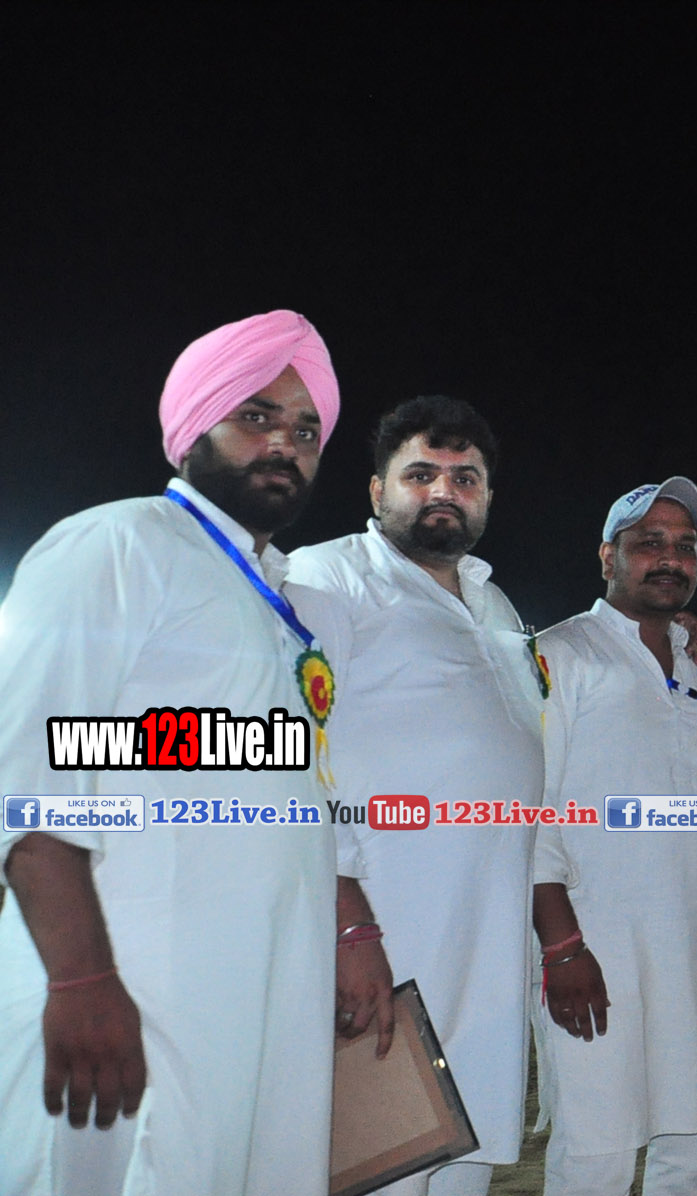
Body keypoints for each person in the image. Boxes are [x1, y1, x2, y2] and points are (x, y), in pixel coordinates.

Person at [0, 311, 379, 1195]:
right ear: (195, 424)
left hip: (261, 998)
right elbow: (27, 777)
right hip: (133, 990)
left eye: (306, 431)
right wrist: (82, 977)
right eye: (256, 416)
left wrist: (349, 930)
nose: (284, 444)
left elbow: (299, 792)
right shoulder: (116, 544)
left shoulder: (286, 599)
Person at [288, 396, 546, 1196]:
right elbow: (294, 754)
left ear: (488, 496)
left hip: (486, 946)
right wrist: (349, 924)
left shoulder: (494, 604)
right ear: (377, 490)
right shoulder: (327, 578)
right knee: (379, 1161)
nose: (444, 490)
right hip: (386, 937)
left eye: (465, 478)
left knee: (461, 1155)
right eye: (421, 473)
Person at [530, 477, 697, 1196]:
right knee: (597, 1152)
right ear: (608, 556)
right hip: (599, 951)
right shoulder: (560, 654)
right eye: (649, 543)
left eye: (685, 546)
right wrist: (562, 947)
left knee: (696, 1148)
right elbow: (532, 811)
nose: (671, 559)